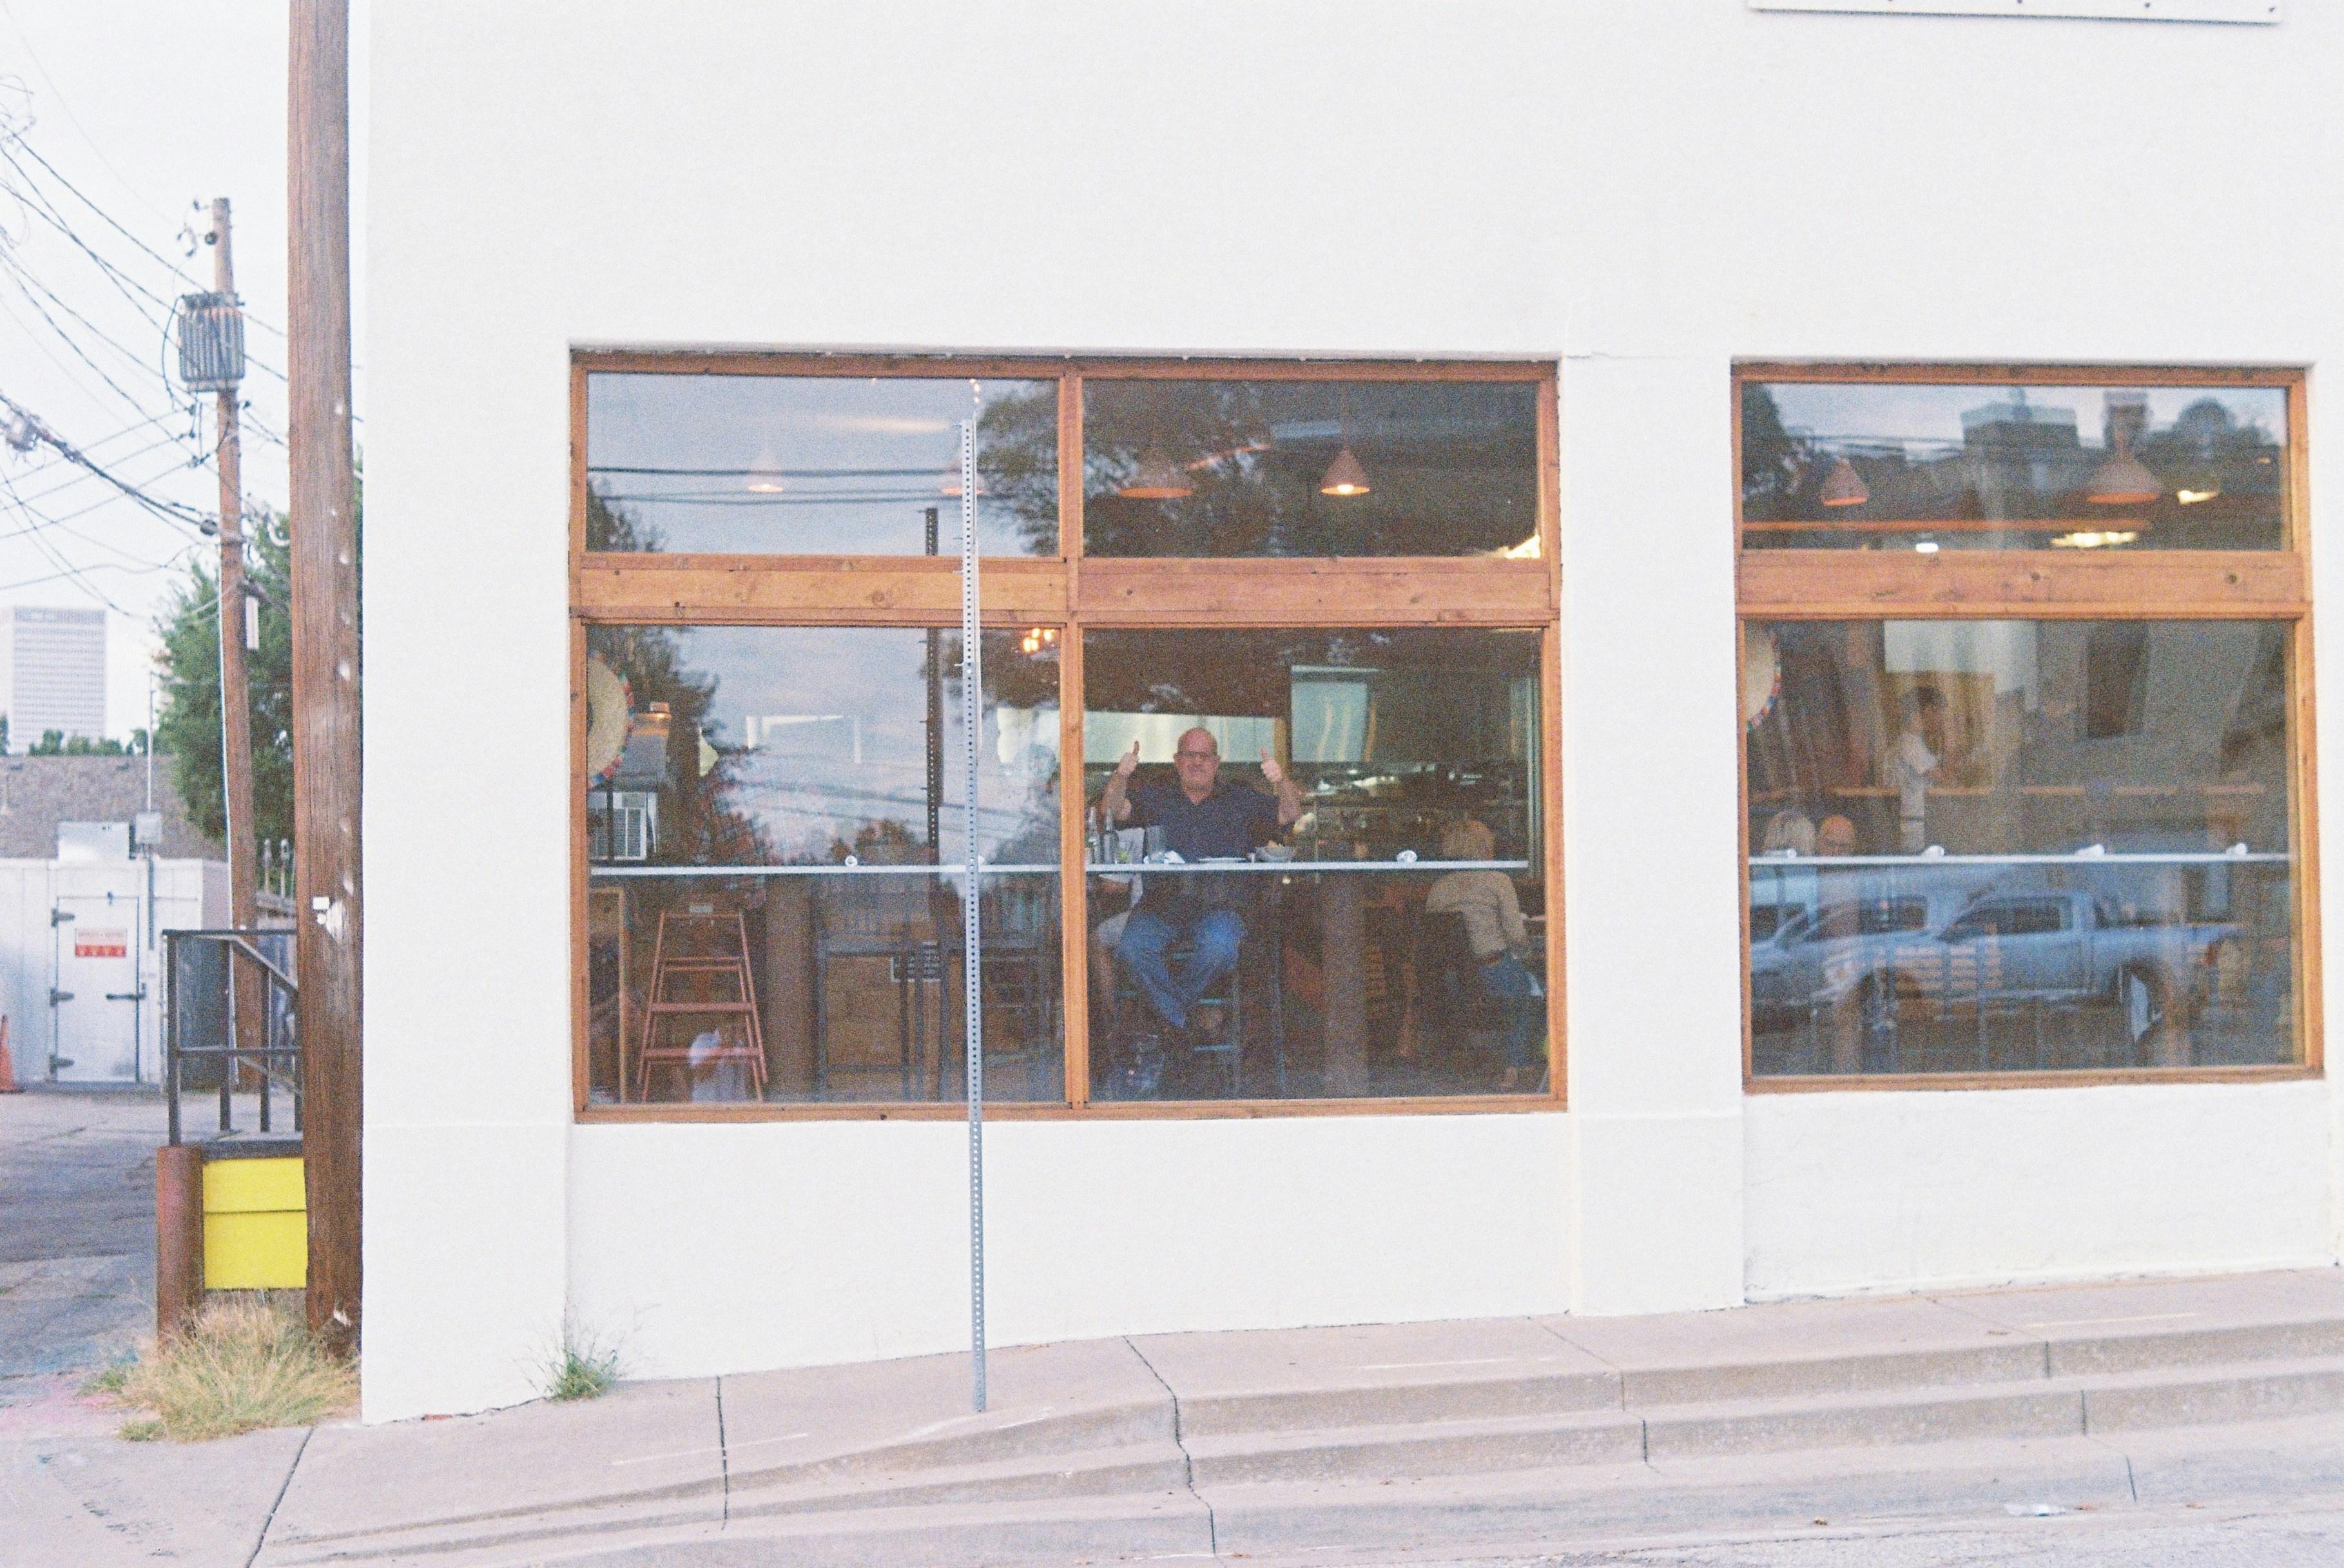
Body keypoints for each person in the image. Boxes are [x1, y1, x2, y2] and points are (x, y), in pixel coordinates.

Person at [1099, 728, 1303, 1082]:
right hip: (1161, 907)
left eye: (1205, 756)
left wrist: (1281, 780)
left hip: (1220, 907)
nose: (1197, 762)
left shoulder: (1239, 799)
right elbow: (1114, 809)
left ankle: (1169, 1024)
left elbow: (1289, 814)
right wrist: (1122, 775)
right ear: (1177, 762)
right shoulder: (1156, 798)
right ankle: (1185, 1024)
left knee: (1220, 947)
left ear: (1217, 763)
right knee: (1132, 950)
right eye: (1189, 755)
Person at [1423, 818, 1545, 1090]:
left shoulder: (1438, 888)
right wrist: (1530, 956)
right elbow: (1515, 936)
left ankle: (1490, 1057)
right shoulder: (1497, 881)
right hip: (1492, 973)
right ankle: (1516, 1067)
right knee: (1538, 991)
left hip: (1452, 981)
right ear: (1484, 848)